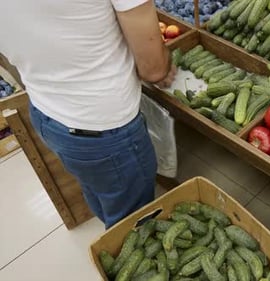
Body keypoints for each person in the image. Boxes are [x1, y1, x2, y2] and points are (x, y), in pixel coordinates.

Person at [0, 0, 176, 229]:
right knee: (132, 225)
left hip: (47, 114)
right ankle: (118, 248)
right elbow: (153, 69)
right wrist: (165, 61)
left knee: (97, 187)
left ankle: (109, 222)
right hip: (105, 128)